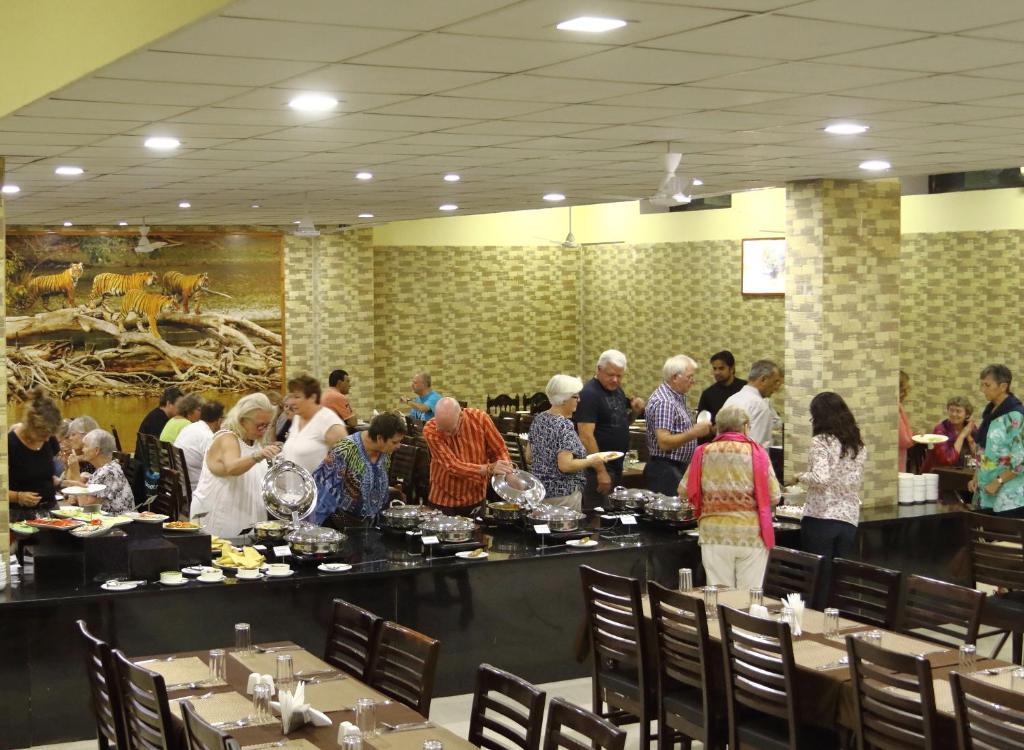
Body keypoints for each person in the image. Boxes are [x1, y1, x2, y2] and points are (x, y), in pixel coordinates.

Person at [684, 405, 781, 589]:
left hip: (714, 534)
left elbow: (685, 490)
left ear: (719, 427)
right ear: (745, 426)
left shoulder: (703, 453)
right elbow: (774, 496)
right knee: (749, 597)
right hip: (750, 535)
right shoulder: (757, 453)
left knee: (719, 596)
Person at [795, 392, 867, 606]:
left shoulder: (821, 441)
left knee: (818, 581)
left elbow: (821, 478)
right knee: (839, 580)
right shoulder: (857, 444)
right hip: (848, 518)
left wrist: (800, 477)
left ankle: (815, 629)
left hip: (821, 516)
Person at [190, 393, 282, 536]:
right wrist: (259, 455)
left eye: (267, 425)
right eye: (259, 425)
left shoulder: (254, 442)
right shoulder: (227, 438)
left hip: (244, 515)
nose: (263, 430)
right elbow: (232, 467)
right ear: (242, 420)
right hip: (218, 515)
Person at [528, 375, 612, 510]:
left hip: (540, 493)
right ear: (563, 399)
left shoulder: (539, 419)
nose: (579, 400)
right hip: (563, 496)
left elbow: (529, 456)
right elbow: (565, 466)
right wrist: (594, 460)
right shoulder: (564, 425)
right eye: (575, 396)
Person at [575, 350, 646, 510]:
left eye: (619, 376)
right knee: (596, 517)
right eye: (610, 375)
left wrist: (634, 411)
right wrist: (601, 471)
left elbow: (621, 424)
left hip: (616, 466)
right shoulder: (589, 394)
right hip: (595, 471)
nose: (615, 380)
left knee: (612, 516)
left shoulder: (617, 391)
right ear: (598, 370)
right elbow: (586, 436)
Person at [422, 397, 514, 515]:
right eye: (442, 430)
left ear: (461, 416)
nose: (446, 434)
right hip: (443, 498)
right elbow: (452, 466)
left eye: (450, 430)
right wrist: (489, 468)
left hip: (475, 496)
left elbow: (499, 449)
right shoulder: (430, 429)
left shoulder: (481, 419)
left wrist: (508, 472)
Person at [312, 413, 407, 526]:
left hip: (374, 522)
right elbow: (324, 490)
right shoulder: (345, 450)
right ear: (380, 438)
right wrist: (316, 527)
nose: (398, 446)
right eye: (395, 442)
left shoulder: (385, 450)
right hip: (344, 524)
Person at [644, 355, 714, 495]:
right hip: (665, 468)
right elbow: (664, 442)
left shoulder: (676, 397)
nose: (692, 381)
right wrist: (694, 432)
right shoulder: (666, 402)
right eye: (690, 377)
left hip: (673, 467)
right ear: (675, 377)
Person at [970, 364, 1024, 517]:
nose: (982, 389)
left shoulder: (1015, 416)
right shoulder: (990, 412)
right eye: (982, 384)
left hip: (1009, 495)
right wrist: (976, 476)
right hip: (987, 489)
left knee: (1002, 539)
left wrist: (998, 482)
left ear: (1003, 386)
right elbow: (985, 449)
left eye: (987, 385)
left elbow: (1020, 460)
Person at [8, 389, 62, 522]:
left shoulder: (49, 439)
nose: (47, 440)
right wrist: (18, 496)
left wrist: (63, 482)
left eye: (50, 435)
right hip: (19, 515)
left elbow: (45, 475)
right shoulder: (9, 444)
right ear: (30, 426)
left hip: (51, 510)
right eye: (43, 435)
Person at [281, 374, 348, 473]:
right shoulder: (297, 418)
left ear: (312, 397)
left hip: (318, 487)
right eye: (291, 397)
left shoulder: (329, 423)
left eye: (297, 397)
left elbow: (348, 466)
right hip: (294, 487)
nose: (292, 402)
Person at [68, 429, 135, 515]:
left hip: (118, 525)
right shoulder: (107, 468)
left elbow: (86, 508)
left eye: (86, 446)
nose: (83, 450)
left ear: (96, 451)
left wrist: (76, 473)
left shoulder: (107, 472)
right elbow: (78, 499)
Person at [721, 359, 783, 448]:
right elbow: (757, 448)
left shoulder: (731, 399)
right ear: (763, 379)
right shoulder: (760, 406)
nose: (776, 388)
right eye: (775, 381)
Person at [174, 401, 225, 490]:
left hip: (180, 483)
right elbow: (215, 470)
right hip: (194, 487)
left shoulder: (189, 428)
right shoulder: (208, 437)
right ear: (219, 420)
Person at [921, 396, 978, 472]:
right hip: (938, 473)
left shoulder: (971, 428)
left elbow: (977, 455)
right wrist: (962, 436)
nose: (954, 414)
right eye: (951, 410)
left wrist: (968, 435)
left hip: (962, 472)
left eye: (958, 411)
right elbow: (948, 459)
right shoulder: (940, 430)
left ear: (967, 415)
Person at [696, 350, 747, 423]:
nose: (717, 372)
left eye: (721, 368)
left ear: (732, 369)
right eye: (714, 368)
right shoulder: (708, 394)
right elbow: (701, 423)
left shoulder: (745, 388)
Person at [898, 370, 914, 472]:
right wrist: (916, 438)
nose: (906, 394)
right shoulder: (896, 408)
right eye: (903, 390)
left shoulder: (899, 406)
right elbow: (905, 441)